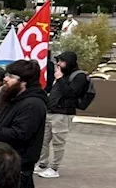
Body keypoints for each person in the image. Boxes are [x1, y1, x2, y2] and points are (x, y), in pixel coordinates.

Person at [0, 59, 48, 188]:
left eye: (11, 77)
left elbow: (20, 134)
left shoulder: (33, 104)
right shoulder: (12, 97)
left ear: (24, 82)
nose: (5, 79)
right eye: (7, 75)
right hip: (2, 161)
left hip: (16, 165)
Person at [37, 50, 88, 179]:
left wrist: (59, 79)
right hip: (50, 111)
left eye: (61, 61)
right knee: (44, 139)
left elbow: (71, 93)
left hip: (63, 113)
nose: (59, 63)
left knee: (58, 142)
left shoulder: (78, 76)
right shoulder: (61, 75)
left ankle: (54, 167)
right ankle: (42, 164)